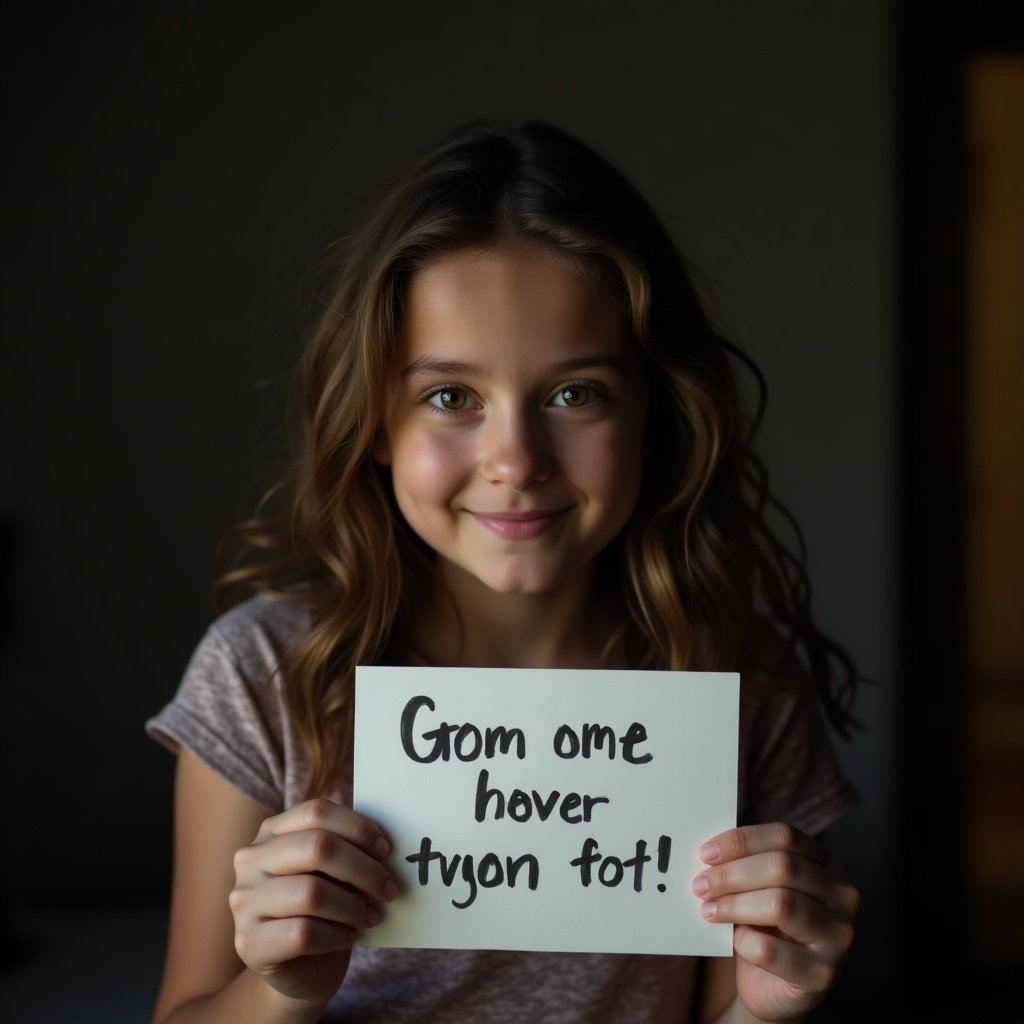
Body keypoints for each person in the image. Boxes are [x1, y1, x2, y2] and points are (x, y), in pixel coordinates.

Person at [147, 120, 861, 1024]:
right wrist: (282, 991)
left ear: (656, 415)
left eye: (577, 394)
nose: (515, 459)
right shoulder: (262, 674)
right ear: (373, 420)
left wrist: (769, 1005)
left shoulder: (742, 690)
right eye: (451, 398)